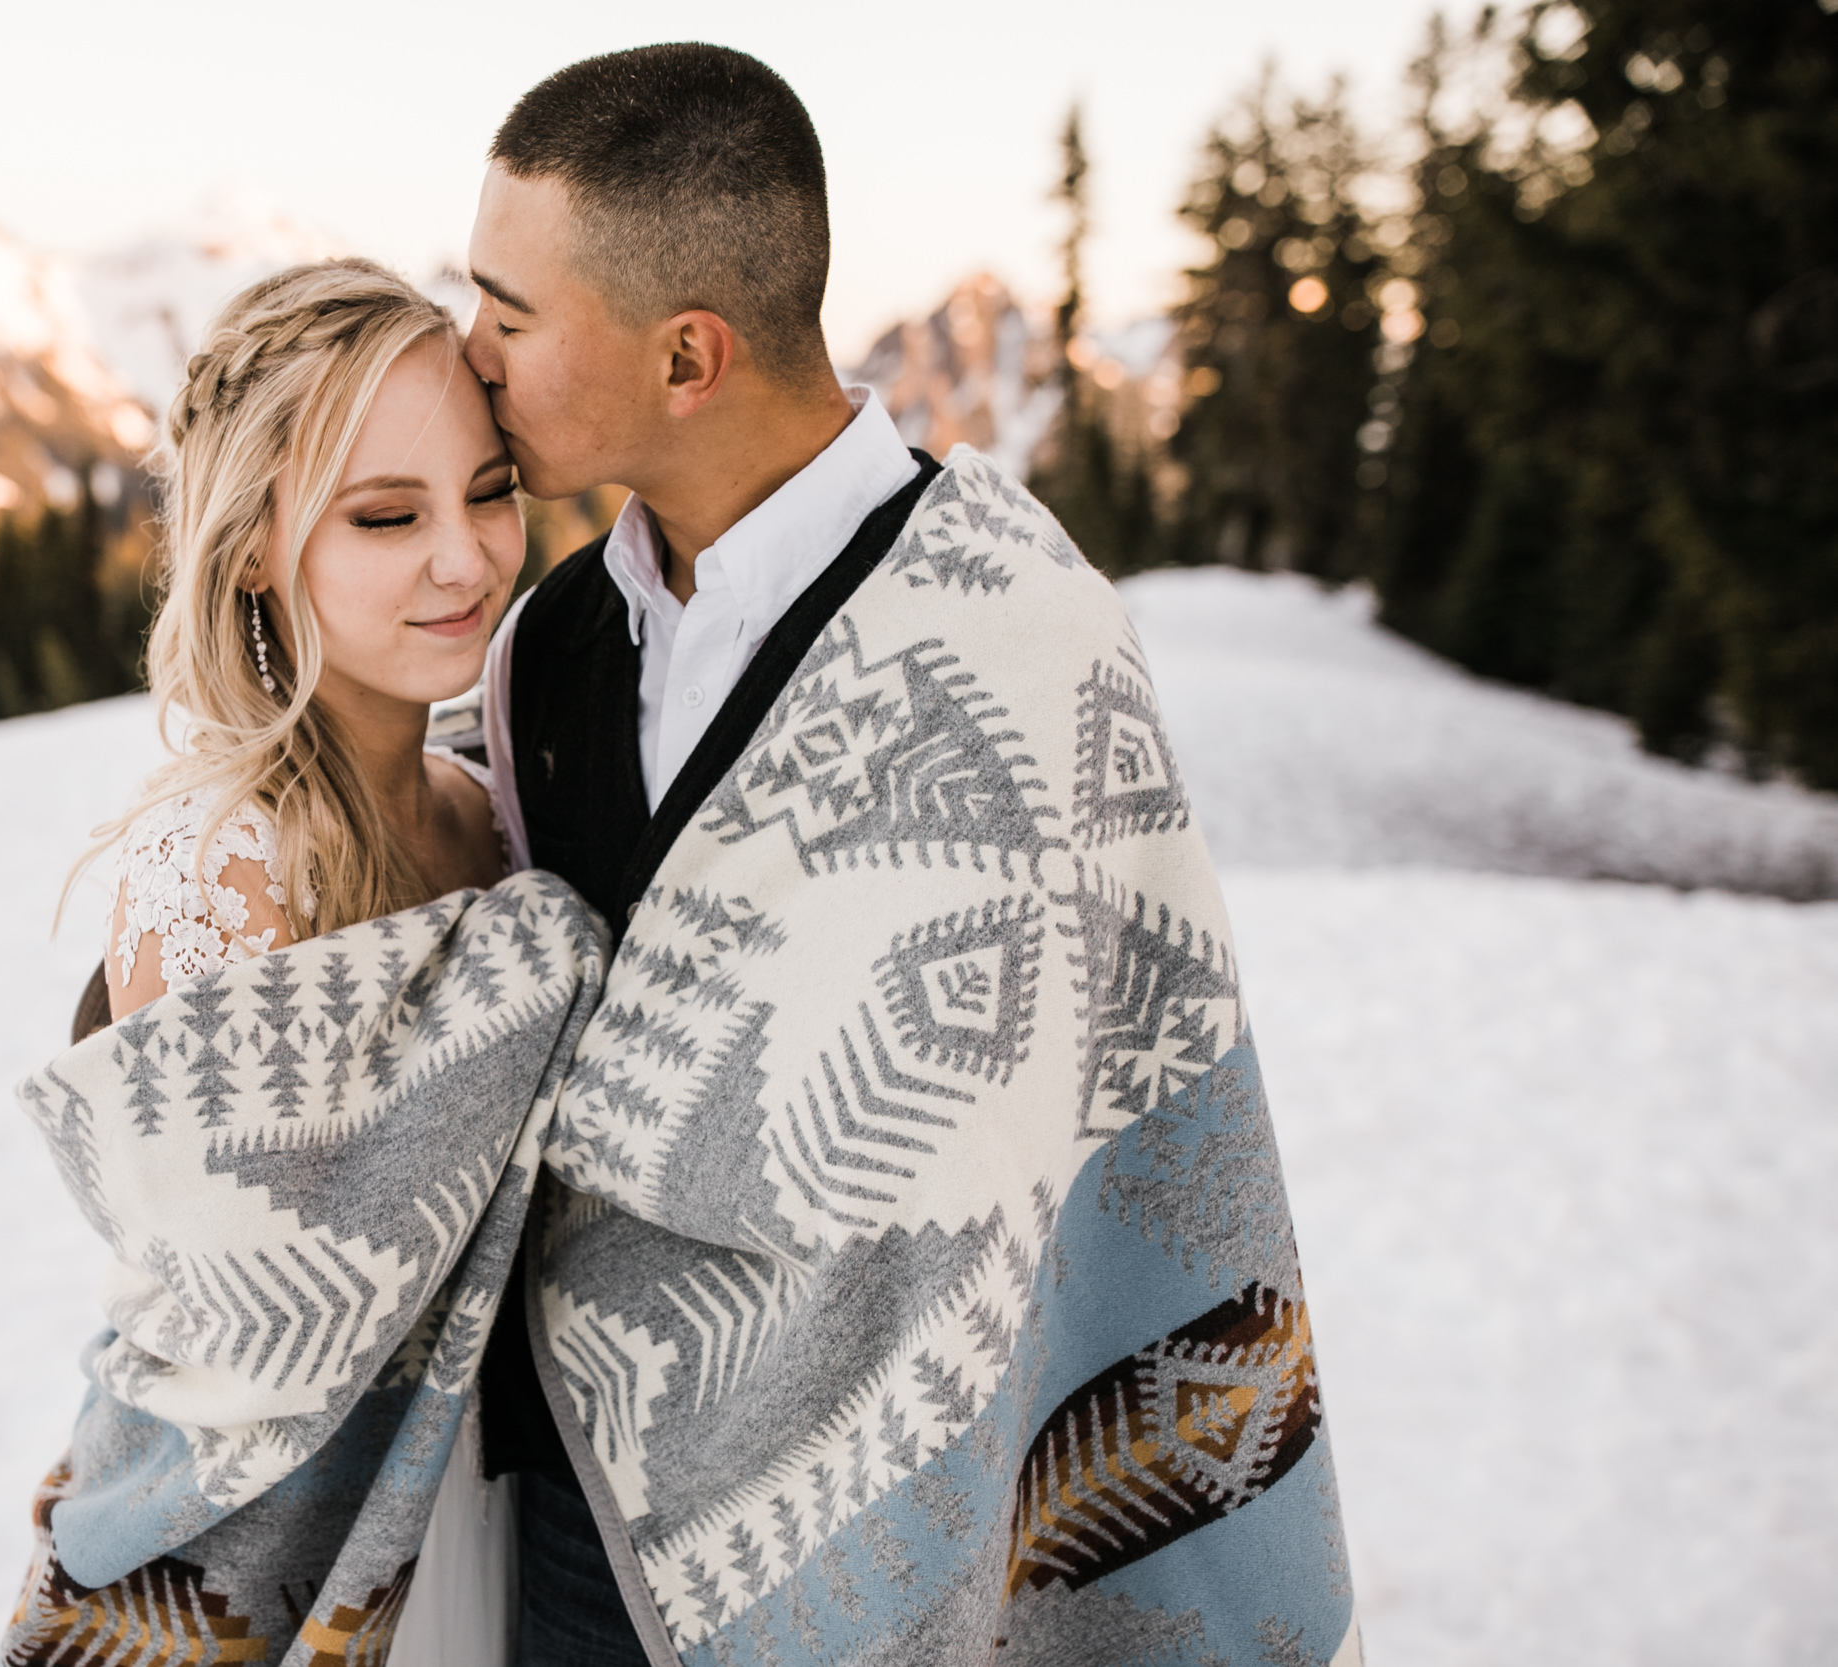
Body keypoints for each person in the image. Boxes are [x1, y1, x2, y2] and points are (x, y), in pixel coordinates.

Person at [466, 44, 1361, 1666]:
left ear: (687, 356)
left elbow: (1126, 1116)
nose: (473, 355)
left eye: (510, 316)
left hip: (925, 1534)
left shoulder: (1027, 647)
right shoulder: (551, 646)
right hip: (575, 1521)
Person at [4, 256, 543, 1666]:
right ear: (252, 544)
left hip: (493, 1504)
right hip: (299, 1536)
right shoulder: (220, 863)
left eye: (491, 491)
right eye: (386, 516)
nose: (466, 556)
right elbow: (241, 1318)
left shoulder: (493, 818)